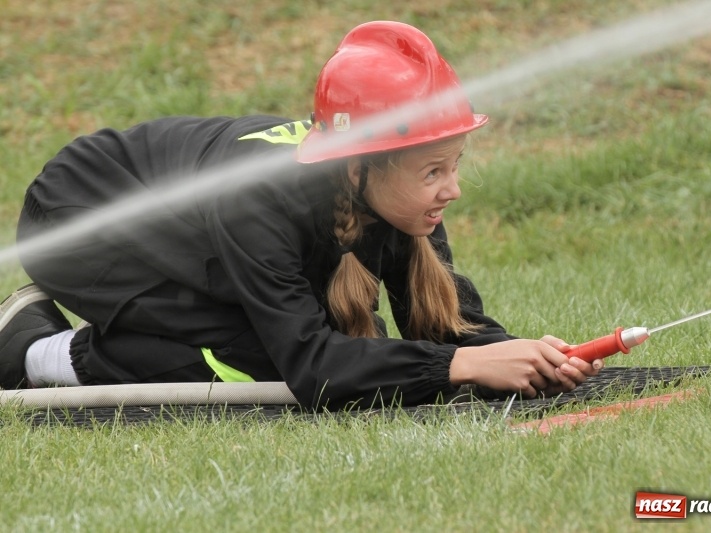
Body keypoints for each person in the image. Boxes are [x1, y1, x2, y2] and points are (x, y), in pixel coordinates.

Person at [0, 21, 603, 410]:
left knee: (328, 343)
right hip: (77, 218)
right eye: (433, 172)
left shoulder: (397, 196)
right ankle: (30, 347)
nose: (453, 189)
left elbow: (446, 328)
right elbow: (314, 368)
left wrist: (523, 355)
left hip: (168, 220)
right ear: (360, 167)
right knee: (253, 362)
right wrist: (462, 366)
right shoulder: (260, 202)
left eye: (454, 165)